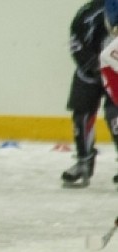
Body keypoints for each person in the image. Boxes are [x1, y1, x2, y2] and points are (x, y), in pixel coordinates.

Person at [62, 0, 118, 188]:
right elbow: (75, 42)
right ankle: (83, 160)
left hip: (116, 72)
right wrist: (93, 65)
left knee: (115, 117)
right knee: (81, 114)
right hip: (90, 72)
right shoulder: (88, 14)